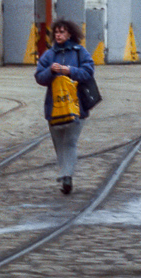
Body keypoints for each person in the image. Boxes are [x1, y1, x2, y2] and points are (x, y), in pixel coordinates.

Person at [34, 18, 95, 195]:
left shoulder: (79, 52)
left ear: (70, 34)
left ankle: (67, 176)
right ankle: (65, 171)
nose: (59, 35)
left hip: (77, 105)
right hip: (54, 106)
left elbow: (88, 72)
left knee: (70, 141)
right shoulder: (49, 55)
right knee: (58, 142)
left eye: (62, 32)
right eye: (57, 32)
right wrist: (51, 71)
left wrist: (69, 71)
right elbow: (39, 77)